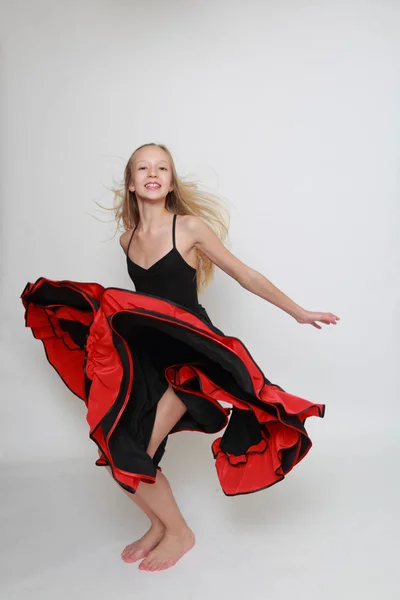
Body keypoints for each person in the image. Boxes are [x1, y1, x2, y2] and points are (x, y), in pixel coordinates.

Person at [20, 143, 339, 573]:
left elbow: (244, 274)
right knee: (121, 448)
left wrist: (299, 311)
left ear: (171, 182)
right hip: (151, 356)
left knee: (134, 454)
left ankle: (179, 533)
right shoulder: (126, 238)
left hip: (191, 360)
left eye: (162, 167)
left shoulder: (188, 228)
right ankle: (159, 525)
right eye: (143, 168)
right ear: (131, 184)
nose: (153, 173)